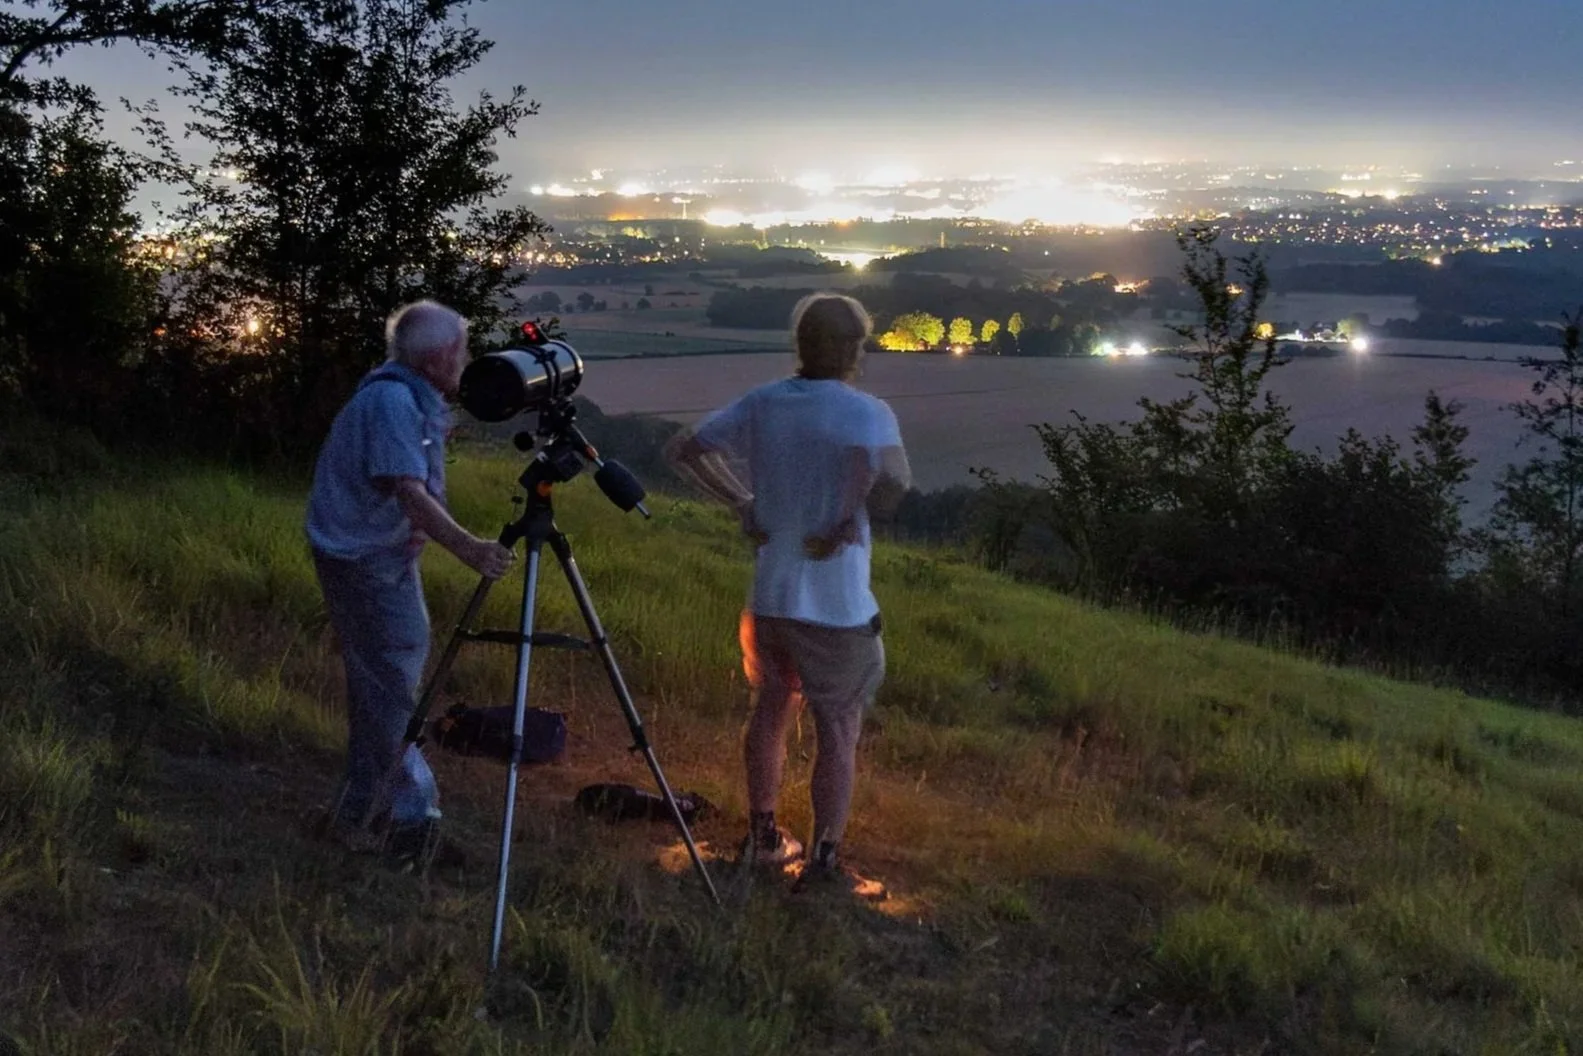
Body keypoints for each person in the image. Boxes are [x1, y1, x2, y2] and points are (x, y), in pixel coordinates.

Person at [665, 292, 911, 893]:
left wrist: (741, 502)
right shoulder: (868, 412)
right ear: (852, 347)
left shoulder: (764, 402)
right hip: (836, 607)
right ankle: (826, 862)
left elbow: (684, 450)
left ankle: (765, 837)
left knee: (771, 712)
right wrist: (854, 511)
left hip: (770, 599)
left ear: (800, 343)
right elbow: (897, 484)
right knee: (839, 730)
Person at [305, 300, 514, 852]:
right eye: (461, 351)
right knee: (393, 691)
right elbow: (409, 490)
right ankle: (407, 821)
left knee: (384, 687)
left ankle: (360, 811)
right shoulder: (394, 402)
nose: (465, 361)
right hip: (366, 560)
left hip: (370, 556)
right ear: (440, 356)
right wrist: (470, 549)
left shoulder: (397, 394)